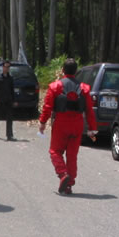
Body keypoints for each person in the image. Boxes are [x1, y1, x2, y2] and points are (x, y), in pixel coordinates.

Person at [38, 58, 98, 195]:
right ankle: (69, 184)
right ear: (76, 71)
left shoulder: (55, 87)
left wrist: (42, 123)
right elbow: (89, 110)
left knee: (55, 151)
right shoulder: (84, 88)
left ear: (63, 70)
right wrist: (92, 129)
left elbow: (47, 107)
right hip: (77, 124)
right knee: (72, 155)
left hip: (61, 123)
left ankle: (63, 174)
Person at [0, 60, 17, 140]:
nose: (7, 68)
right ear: (2, 67)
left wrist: (14, 100)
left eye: (8, 67)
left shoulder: (11, 78)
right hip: (0, 100)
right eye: (5, 66)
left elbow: (12, 90)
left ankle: (9, 135)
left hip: (8, 100)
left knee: (9, 118)